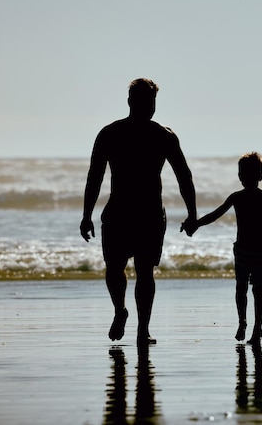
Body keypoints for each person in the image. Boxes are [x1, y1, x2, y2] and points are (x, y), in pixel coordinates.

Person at [80, 78, 197, 346]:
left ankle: (140, 327)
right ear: (131, 102)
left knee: (138, 271)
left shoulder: (160, 135)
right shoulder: (114, 134)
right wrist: (86, 214)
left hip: (145, 213)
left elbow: (184, 177)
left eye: (152, 101)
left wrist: (192, 213)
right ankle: (122, 312)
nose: (149, 106)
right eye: (145, 101)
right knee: (119, 269)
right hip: (128, 212)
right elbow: (94, 176)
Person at [182, 152, 262, 344]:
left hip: (248, 251)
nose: (244, 177)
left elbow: (215, 215)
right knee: (256, 291)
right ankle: (251, 326)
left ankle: (250, 326)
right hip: (258, 250)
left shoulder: (246, 197)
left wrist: (195, 224)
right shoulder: (260, 197)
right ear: (260, 176)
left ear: (242, 177)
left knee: (244, 289)